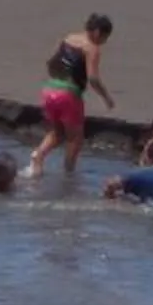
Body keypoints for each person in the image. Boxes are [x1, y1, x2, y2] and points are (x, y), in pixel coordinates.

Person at [23, 13, 114, 182]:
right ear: (97, 32)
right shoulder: (92, 48)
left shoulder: (68, 38)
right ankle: (69, 174)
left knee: (57, 132)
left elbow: (50, 63)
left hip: (49, 90)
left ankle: (38, 156)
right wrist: (106, 97)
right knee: (75, 138)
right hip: (69, 95)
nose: (104, 42)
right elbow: (93, 78)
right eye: (105, 37)